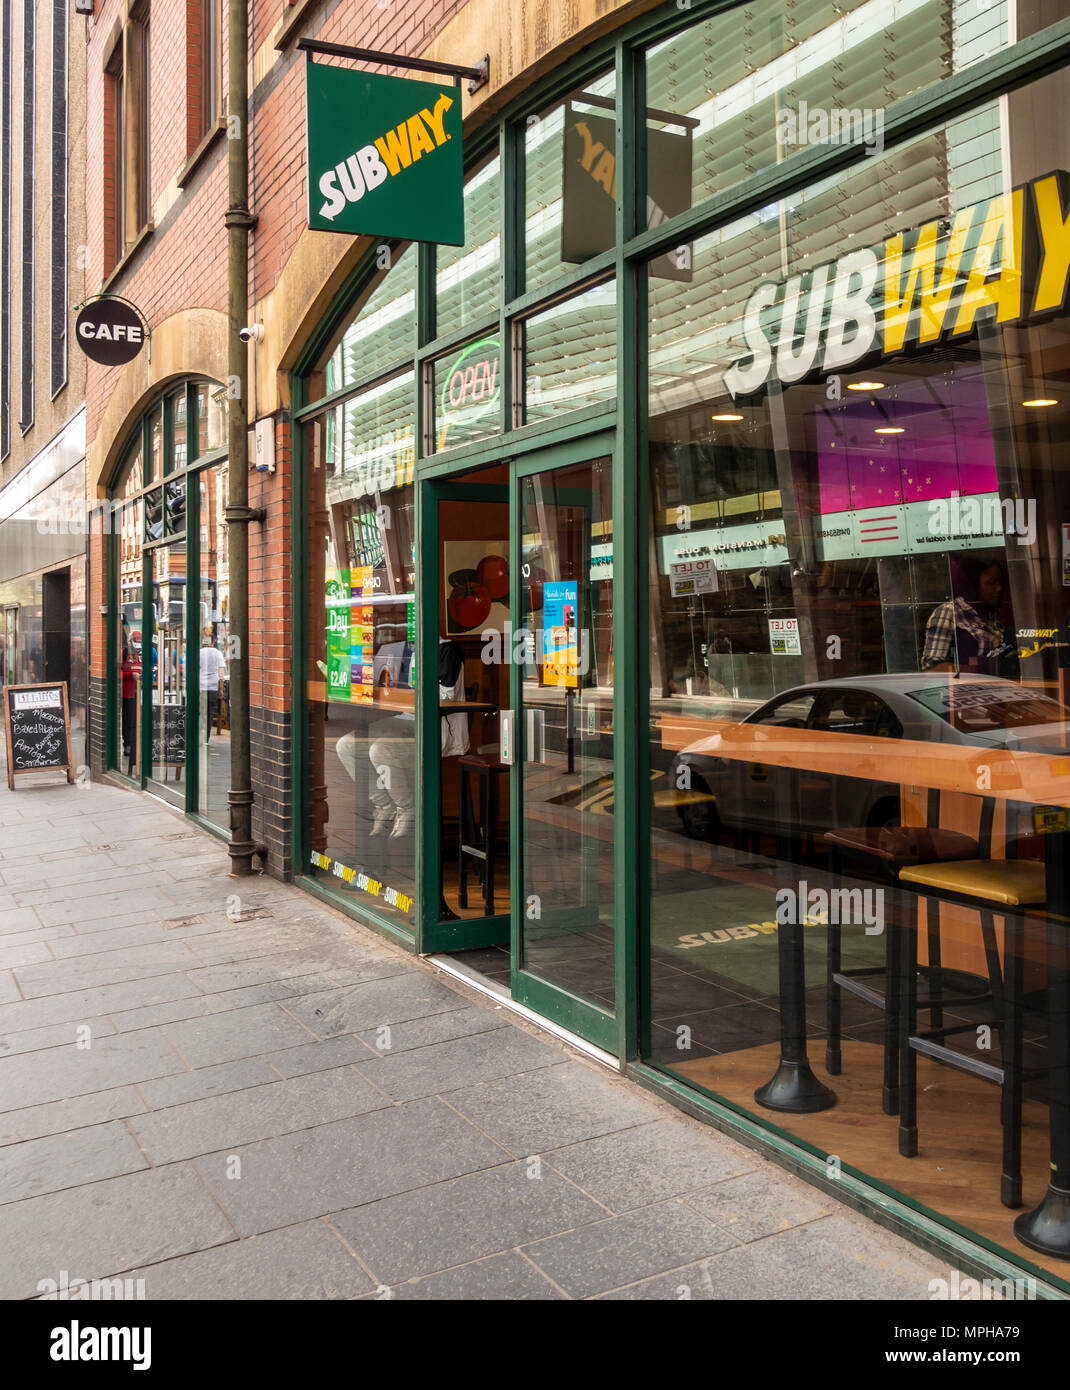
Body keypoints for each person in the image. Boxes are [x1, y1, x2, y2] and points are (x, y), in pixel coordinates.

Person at [922, 559, 1012, 674]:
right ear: (974, 584)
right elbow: (931, 669)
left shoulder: (992, 615)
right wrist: (975, 670)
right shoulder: (949, 612)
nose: (999, 588)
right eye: (991, 583)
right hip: (965, 689)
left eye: (1001, 583)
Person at [199, 632, 227, 739]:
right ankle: (206, 738)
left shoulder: (199, 653)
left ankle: (199, 736)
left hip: (201, 687)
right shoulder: (218, 653)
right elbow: (221, 674)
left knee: (200, 712)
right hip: (213, 687)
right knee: (210, 713)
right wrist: (220, 689)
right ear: (214, 641)